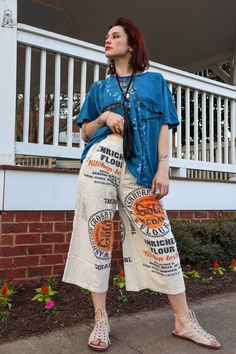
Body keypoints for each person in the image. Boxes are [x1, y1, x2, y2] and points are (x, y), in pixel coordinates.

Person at [62, 17, 221, 351]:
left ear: (131, 45)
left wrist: (164, 170)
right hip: (100, 162)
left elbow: (165, 127)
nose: (107, 39)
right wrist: (104, 118)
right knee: (98, 237)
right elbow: (84, 132)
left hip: (141, 169)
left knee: (160, 240)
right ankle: (100, 319)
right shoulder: (99, 89)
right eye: (106, 35)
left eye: (115, 35)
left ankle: (184, 321)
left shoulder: (154, 82)